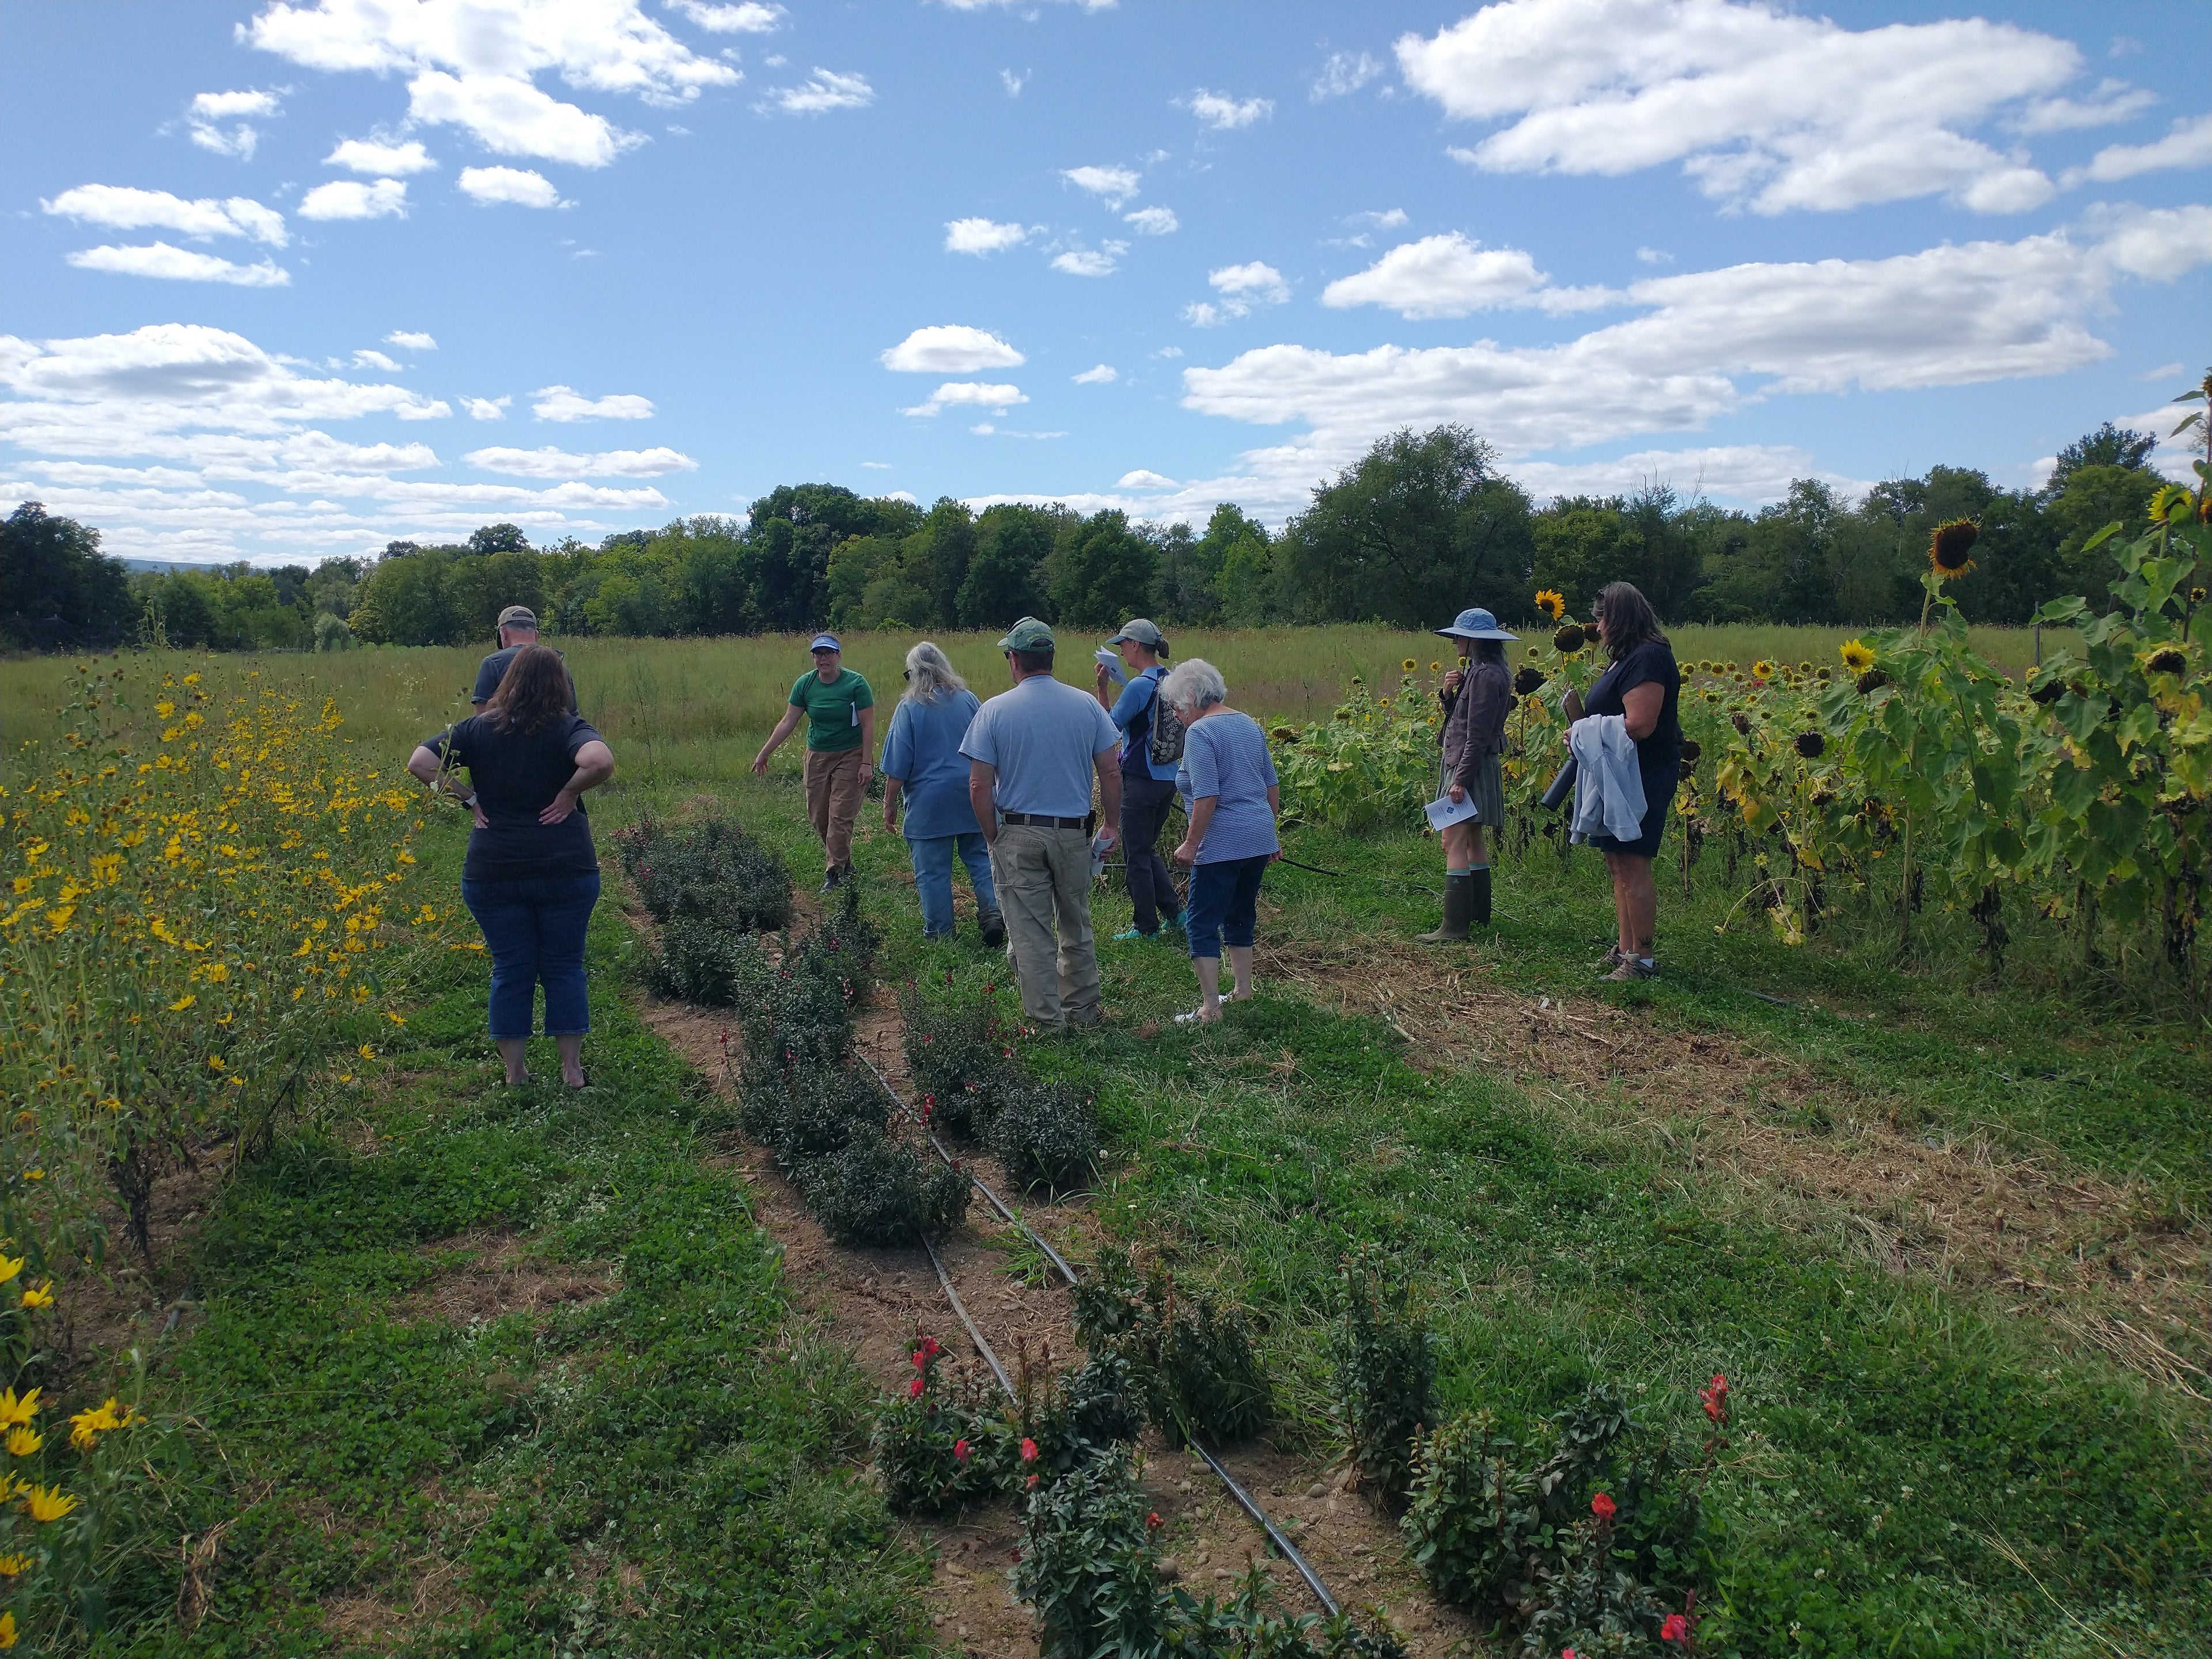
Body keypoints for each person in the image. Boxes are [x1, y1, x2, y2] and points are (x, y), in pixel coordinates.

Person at [407, 644, 615, 1087]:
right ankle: (572, 1071)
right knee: (564, 965)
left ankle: (516, 1072)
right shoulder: (568, 727)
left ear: (507, 681)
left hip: (494, 869)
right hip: (565, 867)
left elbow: (420, 763)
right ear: (560, 684)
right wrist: (568, 795)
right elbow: (598, 761)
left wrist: (470, 799)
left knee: (511, 967)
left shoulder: (477, 729)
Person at [962, 618, 1122, 1032]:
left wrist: (991, 834)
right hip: (1073, 831)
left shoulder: (994, 710)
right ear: (1051, 657)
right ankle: (1083, 1013)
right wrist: (1112, 824)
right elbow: (1111, 772)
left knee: (1031, 932)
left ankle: (1048, 1023)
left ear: (1014, 659)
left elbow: (979, 783)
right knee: (1076, 922)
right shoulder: (1086, 704)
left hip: (1017, 829)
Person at [1563, 581, 1682, 981]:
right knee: (1617, 861)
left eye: (1601, 618)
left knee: (1633, 862)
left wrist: (1587, 731)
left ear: (1618, 618)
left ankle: (1642, 960)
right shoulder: (1626, 658)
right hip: (1616, 773)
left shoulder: (1649, 658)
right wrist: (1580, 733)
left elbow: (1640, 725)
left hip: (1643, 775)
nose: (1597, 627)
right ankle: (1626, 949)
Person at [1162, 658, 1280, 1025]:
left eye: (1179, 708)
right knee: (1241, 911)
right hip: (1257, 837)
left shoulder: (1200, 732)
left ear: (1194, 697)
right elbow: (1270, 783)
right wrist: (1270, 833)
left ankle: (1211, 1007)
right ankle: (1243, 989)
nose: (1180, 717)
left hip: (1222, 842)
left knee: (1201, 919)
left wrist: (1191, 844)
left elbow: (1207, 796)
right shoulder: (1247, 723)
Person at [882, 641, 1005, 948]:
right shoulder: (968, 700)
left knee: (932, 871)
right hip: (972, 793)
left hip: (928, 802)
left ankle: (941, 934)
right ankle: (992, 912)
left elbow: (898, 764)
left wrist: (889, 803)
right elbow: (988, 746)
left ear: (913, 673)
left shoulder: (909, 707)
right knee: (980, 858)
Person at [1419, 606, 1516, 942]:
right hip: (1469, 762)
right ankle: (1477, 915)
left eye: (1460, 635)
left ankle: (1454, 926)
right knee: (1473, 838)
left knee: (1452, 839)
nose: (1456, 641)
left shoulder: (1486, 677)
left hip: (1467, 765)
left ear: (1476, 640)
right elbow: (1462, 720)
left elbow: (1476, 734)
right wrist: (1449, 695)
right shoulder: (1482, 672)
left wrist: (1459, 779)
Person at [752, 633, 876, 891]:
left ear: (838, 656)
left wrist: (867, 763)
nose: (823, 658)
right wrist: (765, 752)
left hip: (850, 754)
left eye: (829, 653)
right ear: (813, 657)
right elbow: (788, 721)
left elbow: (867, 724)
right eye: (818, 654)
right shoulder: (805, 685)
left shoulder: (856, 684)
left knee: (840, 816)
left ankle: (834, 874)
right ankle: (844, 862)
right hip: (818, 755)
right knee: (820, 817)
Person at [1093, 618, 1185, 940]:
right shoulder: (1173, 681)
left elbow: (1108, 730)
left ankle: (1145, 927)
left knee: (1135, 854)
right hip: (1169, 777)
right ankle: (1176, 914)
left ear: (1135, 645)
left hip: (1140, 778)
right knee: (1145, 848)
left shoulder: (1139, 686)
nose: (1121, 651)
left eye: (1122, 645)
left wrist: (1102, 689)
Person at [471, 605, 575, 710]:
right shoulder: (558, 663)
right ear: (536, 635)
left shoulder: (492, 663)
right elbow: (572, 713)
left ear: (504, 633)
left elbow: (482, 716)